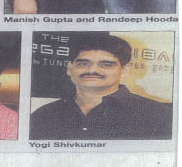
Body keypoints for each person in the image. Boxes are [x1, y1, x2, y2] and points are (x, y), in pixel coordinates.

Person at [30, 34, 173, 140]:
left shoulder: (157, 115)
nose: (92, 70)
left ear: (124, 70)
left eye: (105, 64)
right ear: (70, 68)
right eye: (83, 63)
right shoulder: (43, 115)